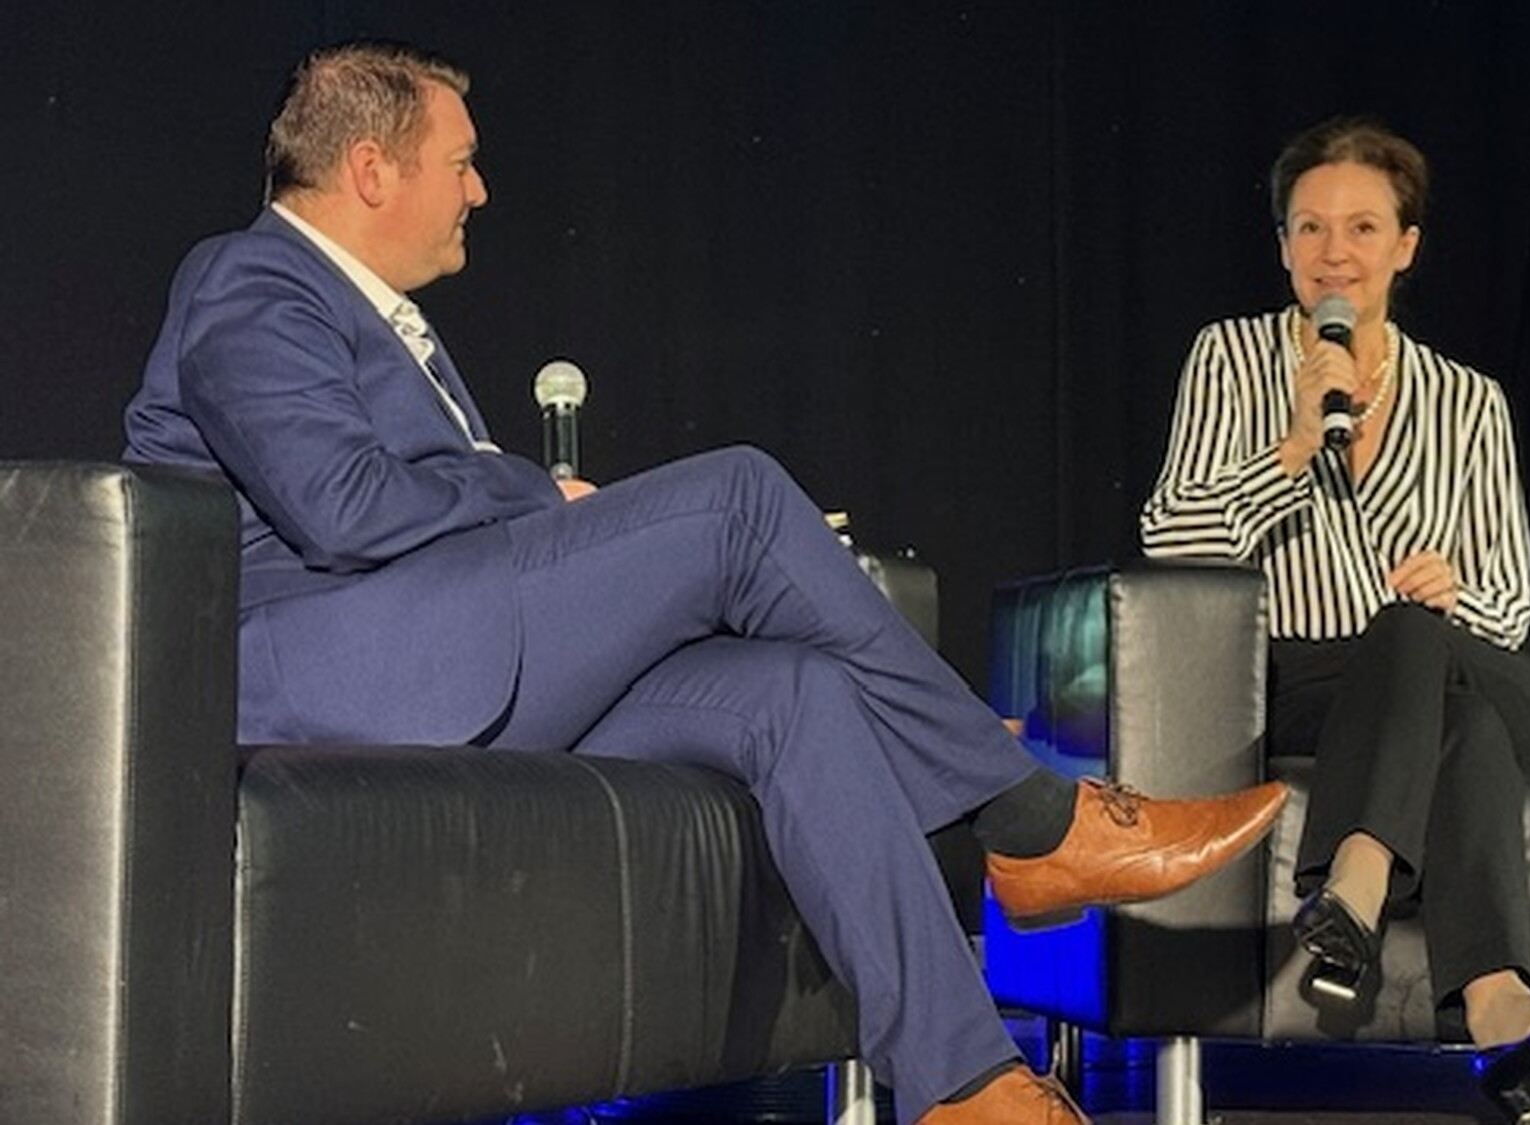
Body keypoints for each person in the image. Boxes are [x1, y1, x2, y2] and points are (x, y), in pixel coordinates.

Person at [123, 42, 1289, 1125]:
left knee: (795, 693)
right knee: (735, 497)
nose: (478, 191)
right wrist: (537, 497)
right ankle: (1028, 817)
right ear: (372, 171)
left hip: (452, 654)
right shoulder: (249, 281)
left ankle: (965, 1086)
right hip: (355, 677)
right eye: (462, 163)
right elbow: (342, 505)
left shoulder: (381, 320)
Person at [1139, 116, 1530, 1122]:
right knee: (1459, 722)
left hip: (1450, 656)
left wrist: (1454, 595)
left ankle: (1352, 885)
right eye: (1308, 229)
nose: (1332, 254)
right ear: (1281, 248)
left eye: (1360, 228)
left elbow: (1511, 603)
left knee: (1417, 637)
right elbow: (1168, 543)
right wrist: (1290, 447)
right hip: (1290, 679)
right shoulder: (1229, 361)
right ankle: (1496, 1004)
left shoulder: (1467, 401)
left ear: (1403, 248)